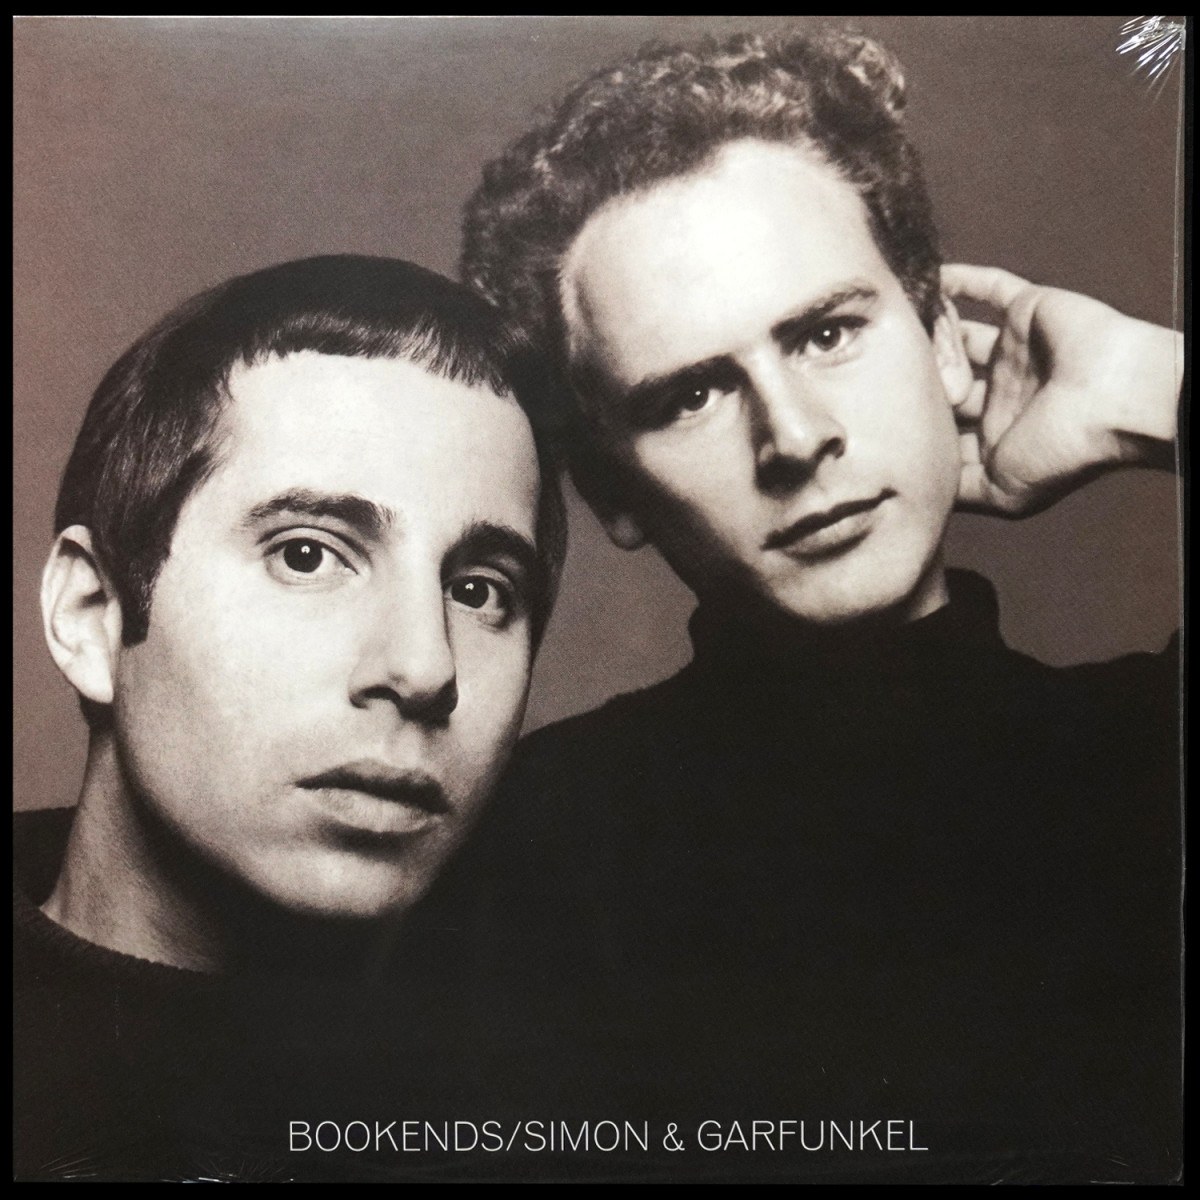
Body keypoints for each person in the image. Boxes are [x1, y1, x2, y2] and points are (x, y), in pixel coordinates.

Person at [445, 28, 1182, 1182]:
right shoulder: (518, 853)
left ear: (944, 344)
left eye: (828, 334)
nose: (793, 438)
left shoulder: (1155, 744)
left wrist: (1158, 391)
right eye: (691, 394)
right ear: (608, 491)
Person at [14, 254, 566, 1180]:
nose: (424, 667)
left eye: (478, 590)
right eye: (307, 555)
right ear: (91, 616)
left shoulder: (582, 1094)